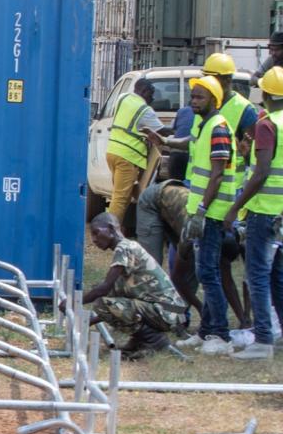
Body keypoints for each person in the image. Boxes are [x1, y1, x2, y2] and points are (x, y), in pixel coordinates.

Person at [223, 66, 283, 360]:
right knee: (280, 274)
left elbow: (262, 171)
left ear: (264, 94)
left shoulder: (268, 125)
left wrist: (236, 206)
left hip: (264, 212)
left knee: (258, 275)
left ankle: (263, 338)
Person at [179, 76, 239, 356]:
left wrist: (202, 210)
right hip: (203, 211)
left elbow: (217, 174)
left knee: (208, 272)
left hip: (212, 213)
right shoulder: (205, 126)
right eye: (193, 97)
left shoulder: (218, 128)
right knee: (205, 271)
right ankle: (205, 332)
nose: (194, 102)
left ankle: (221, 335)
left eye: (200, 97)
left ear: (214, 100)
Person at [84, 214, 186, 359]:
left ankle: (155, 341)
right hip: (170, 310)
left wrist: (73, 302)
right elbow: (112, 292)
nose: (93, 239)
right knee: (107, 299)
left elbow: (104, 289)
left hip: (167, 311)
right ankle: (140, 340)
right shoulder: (129, 247)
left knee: (102, 302)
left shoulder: (124, 248)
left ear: (111, 229)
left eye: (96, 232)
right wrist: (88, 321)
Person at [133, 177, 201, 319]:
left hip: (174, 207)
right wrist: (200, 307)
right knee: (150, 265)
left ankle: (177, 316)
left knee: (195, 268)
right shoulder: (191, 233)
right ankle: (145, 315)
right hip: (152, 202)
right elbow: (177, 277)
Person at [104, 78, 163, 225]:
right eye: (151, 94)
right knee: (120, 198)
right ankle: (110, 232)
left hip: (112, 152)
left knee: (122, 193)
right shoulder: (145, 110)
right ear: (144, 91)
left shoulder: (122, 98)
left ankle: (124, 227)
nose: (152, 98)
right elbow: (162, 131)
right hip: (127, 157)